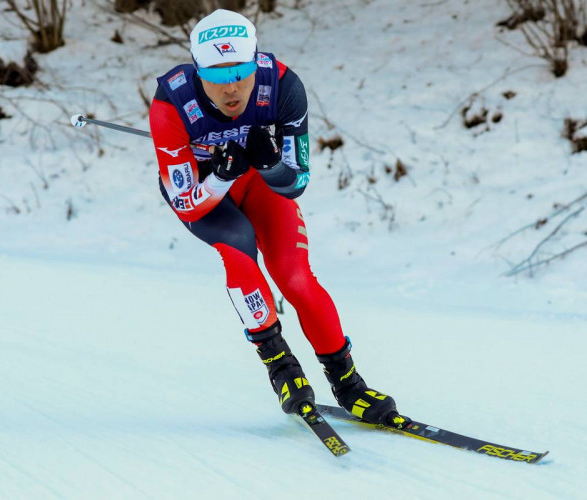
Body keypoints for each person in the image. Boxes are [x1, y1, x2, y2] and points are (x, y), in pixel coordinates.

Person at [149, 9, 400, 424]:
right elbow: (188, 204)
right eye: (217, 78)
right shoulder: (171, 103)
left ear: (256, 64)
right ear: (198, 73)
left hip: (259, 184)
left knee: (295, 276)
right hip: (204, 193)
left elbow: (296, 182)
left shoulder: (282, 85)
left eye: (241, 74)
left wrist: (270, 166)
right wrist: (221, 176)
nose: (231, 90)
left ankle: (349, 383)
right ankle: (281, 366)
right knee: (239, 252)